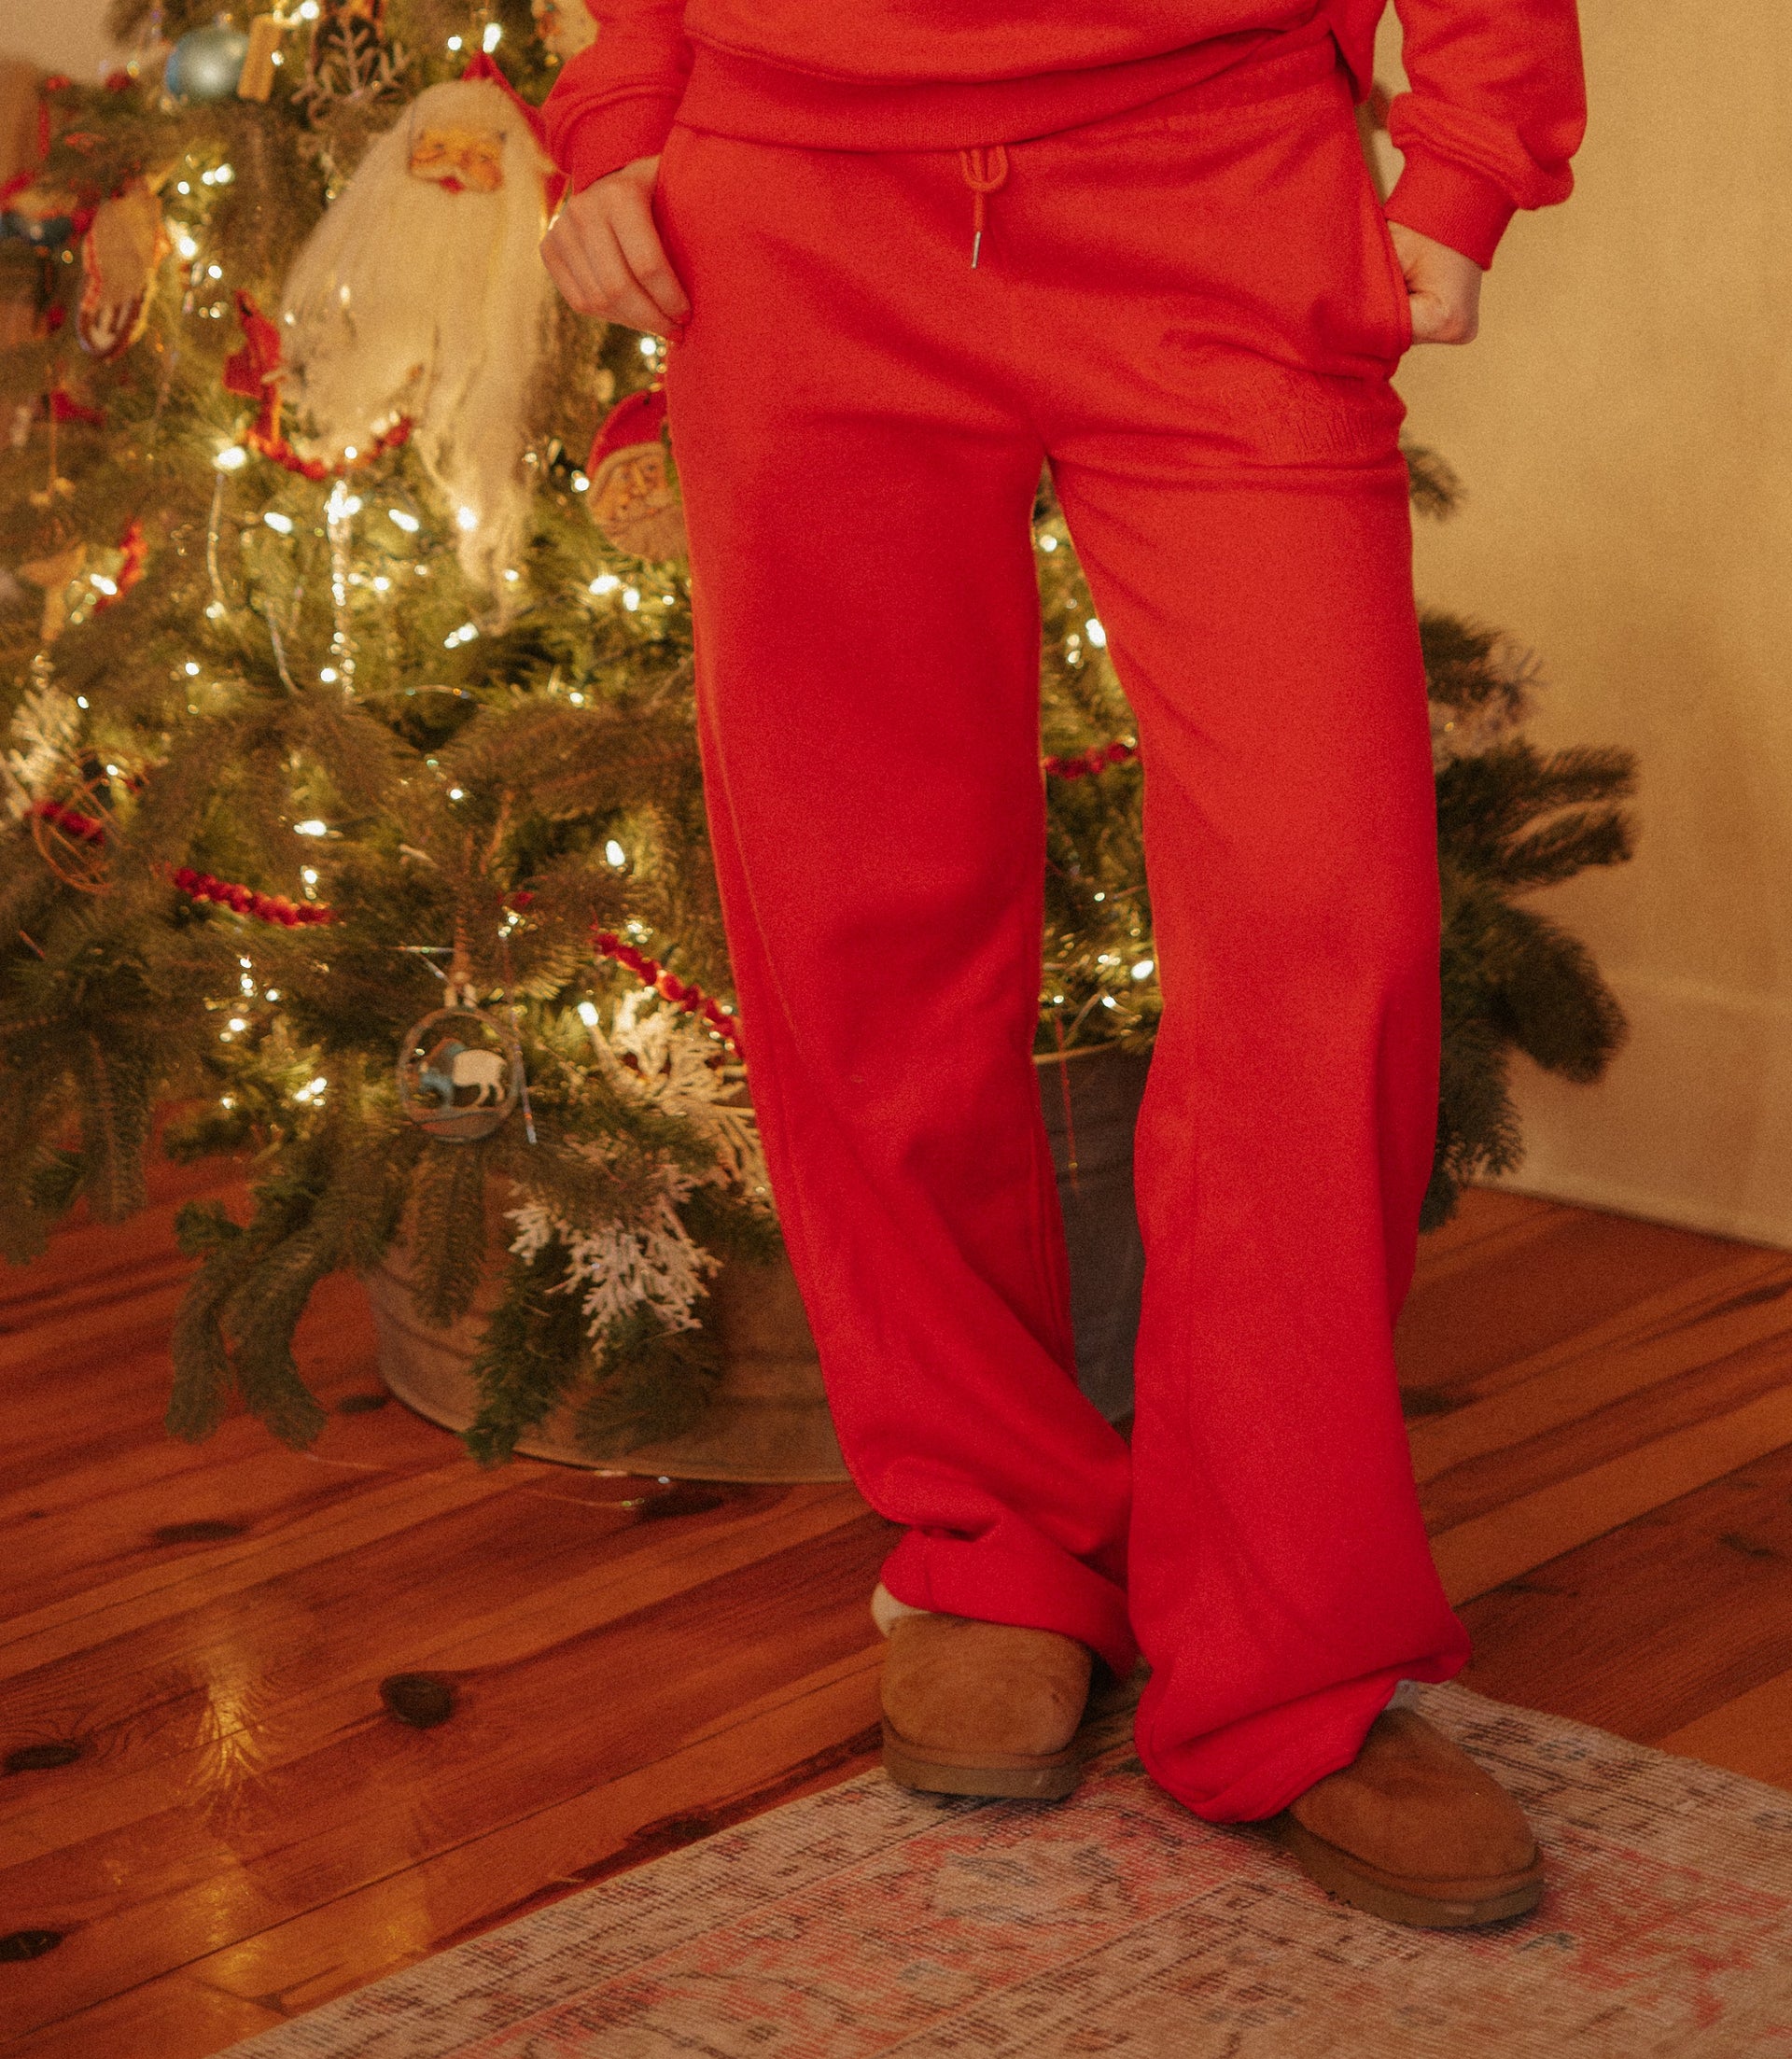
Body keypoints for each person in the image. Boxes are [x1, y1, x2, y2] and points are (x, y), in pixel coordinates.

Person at [539, 0, 1585, 1930]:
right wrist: (621, 99)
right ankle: (991, 1532)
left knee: (1322, 923)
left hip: (1219, 177)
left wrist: (1469, 146)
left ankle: (1289, 1643)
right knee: (862, 913)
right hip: (793, 201)